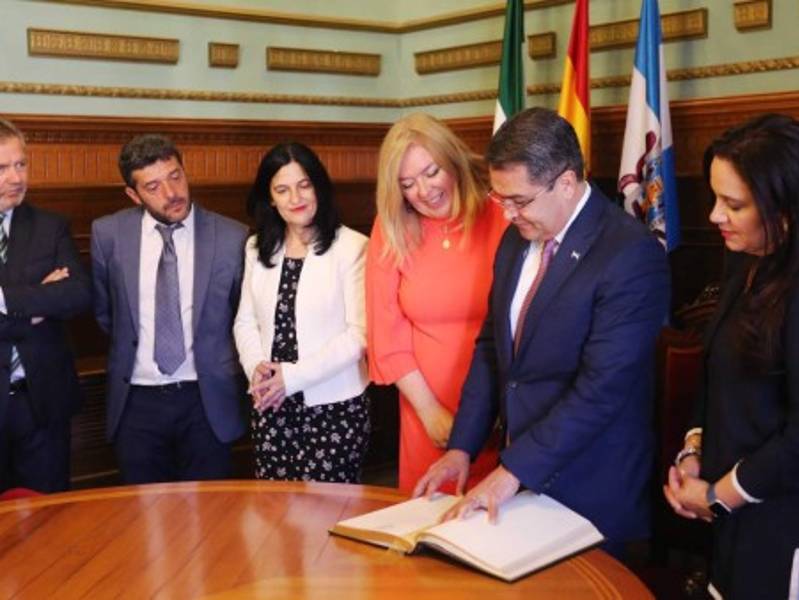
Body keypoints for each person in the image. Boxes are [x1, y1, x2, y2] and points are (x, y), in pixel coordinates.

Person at [414, 108, 670, 557]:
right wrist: (462, 448)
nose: (508, 213)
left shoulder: (629, 254)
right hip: (524, 482)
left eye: (519, 200)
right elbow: (492, 346)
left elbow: (601, 391)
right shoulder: (517, 237)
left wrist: (512, 470)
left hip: (591, 488)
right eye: (500, 199)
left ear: (566, 182)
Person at [664, 114, 799, 600]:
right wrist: (693, 452)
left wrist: (718, 497)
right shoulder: (743, 259)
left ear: (785, 209)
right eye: (715, 197)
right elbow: (714, 373)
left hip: (782, 526)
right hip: (730, 520)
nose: (714, 216)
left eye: (734, 204)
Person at [91, 134, 247, 484]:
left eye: (175, 176)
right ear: (133, 195)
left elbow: (242, 317)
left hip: (206, 398)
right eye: (153, 186)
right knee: (144, 508)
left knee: (211, 507)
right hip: (137, 400)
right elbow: (106, 313)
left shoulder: (232, 236)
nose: (171, 193)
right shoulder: (109, 234)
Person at [366, 113, 508, 493]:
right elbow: (386, 333)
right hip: (426, 411)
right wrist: (429, 412)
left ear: (453, 160)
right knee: (428, 515)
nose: (424, 191)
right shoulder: (390, 228)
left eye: (432, 173)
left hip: (501, 407)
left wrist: (500, 410)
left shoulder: (502, 214)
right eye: (407, 184)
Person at [233, 142, 370, 483]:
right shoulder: (257, 247)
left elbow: (358, 335)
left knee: (328, 508)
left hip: (334, 406)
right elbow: (246, 321)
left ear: (319, 186)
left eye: (304, 185)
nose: (295, 198)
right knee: (273, 508)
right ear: (270, 198)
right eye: (282, 190)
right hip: (272, 403)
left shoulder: (352, 247)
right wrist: (257, 370)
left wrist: (291, 378)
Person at [0, 117, 91, 493]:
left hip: (42, 403)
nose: (16, 178)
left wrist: (6, 300)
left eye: (21, 164)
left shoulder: (50, 226)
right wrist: (38, 303)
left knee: (49, 518)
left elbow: (78, 294)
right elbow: (54, 300)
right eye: (2, 168)